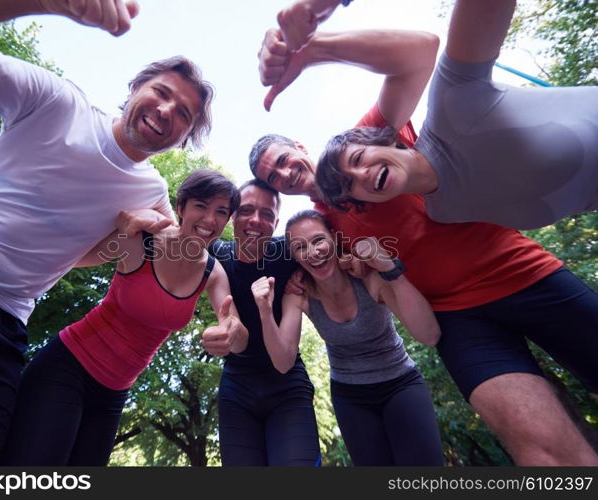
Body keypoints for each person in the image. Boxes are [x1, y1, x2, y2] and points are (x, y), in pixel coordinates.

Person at [250, 0, 598, 465]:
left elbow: (419, 53)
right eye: (274, 177)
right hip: (459, 321)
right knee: (540, 450)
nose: (285, 173)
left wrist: (312, 49)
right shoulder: (322, 232)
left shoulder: (363, 145)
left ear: (299, 146)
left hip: (525, 275)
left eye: (284, 160)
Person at [0, 0, 214, 465]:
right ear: (134, 88)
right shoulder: (55, 102)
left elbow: (113, 252)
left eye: (185, 114)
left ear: (184, 136)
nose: (167, 110)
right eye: (161, 91)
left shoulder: (151, 190)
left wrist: (124, 238)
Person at [0, 169, 247, 466]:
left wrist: (230, 332)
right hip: (67, 368)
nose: (210, 219)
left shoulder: (213, 272)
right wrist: (123, 221)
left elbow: (237, 332)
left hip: (114, 394)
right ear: (181, 207)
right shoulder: (143, 238)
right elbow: (72, 256)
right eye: (201, 206)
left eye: (221, 211)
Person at [314, 0, 598, 230]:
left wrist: (315, 40)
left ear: (387, 140)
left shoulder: (452, 104)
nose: (361, 175)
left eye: (357, 159)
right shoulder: (444, 213)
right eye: (349, 184)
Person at [251, 210, 444, 465]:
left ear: (333, 237)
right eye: (300, 247)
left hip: (401, 382)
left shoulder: (368, 277)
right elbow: (283, 361)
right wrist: (264, 311)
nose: (312, 252)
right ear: (294, 256)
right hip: (350, 396)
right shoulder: (298, 293)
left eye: (318, 240)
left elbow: (429, 334)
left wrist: (387, 266)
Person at [209, 179, 321, 466]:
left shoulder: (289, 251)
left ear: (276, 222)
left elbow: (336, 235)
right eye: (246, 210)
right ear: (232, 215)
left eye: (267, 214)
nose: (256, 221)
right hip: (237, 386)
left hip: (288, 384)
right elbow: (170, 236)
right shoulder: (216, 256)